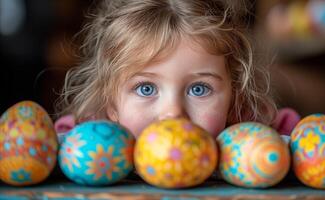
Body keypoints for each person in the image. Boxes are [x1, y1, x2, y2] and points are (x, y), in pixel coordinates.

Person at [55, 0, 300, 141]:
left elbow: (301, 142)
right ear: (111, 105)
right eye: (146, 88)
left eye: (199, 88)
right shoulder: (92, 143)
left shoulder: (251, 144)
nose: (173, 113)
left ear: (234, 99)